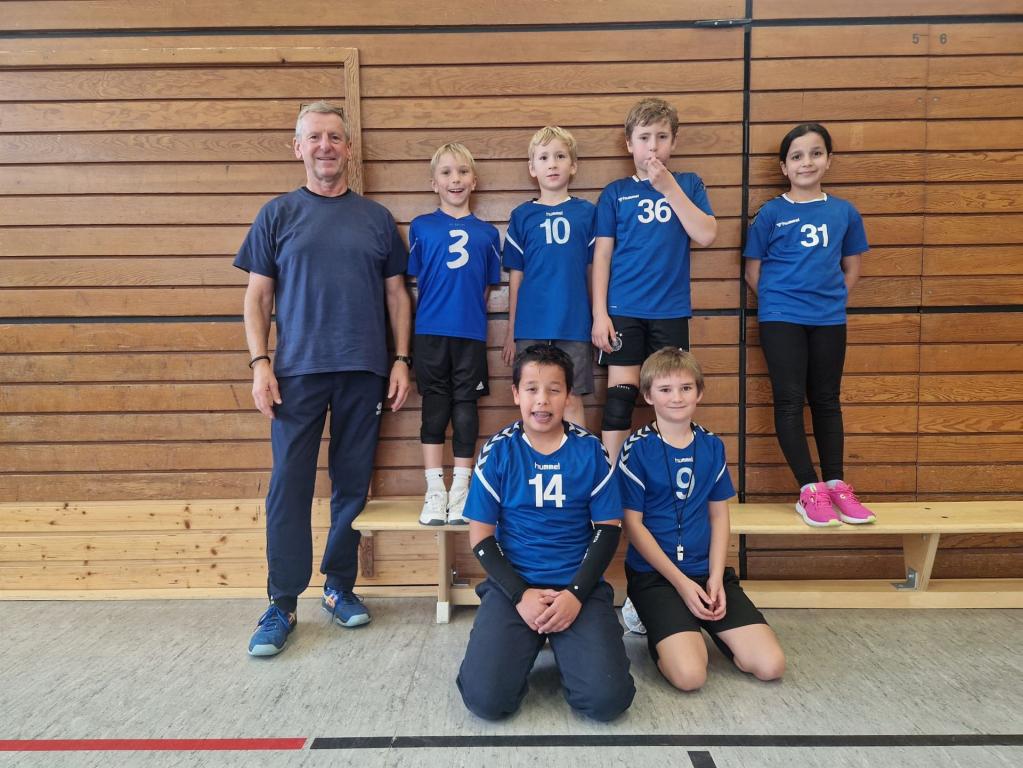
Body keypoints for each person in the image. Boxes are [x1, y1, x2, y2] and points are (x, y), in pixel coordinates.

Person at [235, 101, 412, 656]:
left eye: (334, 137)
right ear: (298, 147)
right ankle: (282, 602)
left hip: (364, 370)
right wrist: (260, 363)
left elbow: (396, 296)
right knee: (288, 485)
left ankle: (339, 587)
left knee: (352, 485)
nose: (325, 146)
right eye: (314, 137)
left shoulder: (377, 219)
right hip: (296, 373)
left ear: (348, 148)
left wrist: (401, 359)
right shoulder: (277, 214)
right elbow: (257, 297)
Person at [456, 345, 635, 721]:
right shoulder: (498, 452)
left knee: (607, 701)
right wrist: (520, 595)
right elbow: (481, 538)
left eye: (554, 390)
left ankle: (567, 644)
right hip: (515, 588)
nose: (542, 400)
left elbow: (607, 531)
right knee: (486, 701)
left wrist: (575, 594)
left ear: (568, 395)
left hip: (577, 587)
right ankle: (528, 640)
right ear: (516, 394)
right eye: (532, 389)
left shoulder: (590, 451)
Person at [619, 348, 785, 691]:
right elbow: (633, 525)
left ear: (699, 392)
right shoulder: (637, 449)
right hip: (657, 577)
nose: (677, 397)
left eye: (686, 388)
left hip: (704, 569)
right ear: (648, 395)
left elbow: (719, 513)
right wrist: (682, 585)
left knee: (771, 666)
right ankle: (651, 614)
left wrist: (715, 578)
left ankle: (699, 620)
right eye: (665, 389)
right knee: (691, 676)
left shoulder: (711, 445)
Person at [743, 123, 876, 527]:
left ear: (828, 160)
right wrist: (780, 304)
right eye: (797, 156)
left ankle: (837, 485)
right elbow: (753, 272)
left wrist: (828, 300)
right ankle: (809, 490)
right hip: (781, 319)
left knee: (826, 400)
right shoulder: (771, 214)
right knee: (788, 400)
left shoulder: (844, 212)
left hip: (829, 320)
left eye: (816, 153)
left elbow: (852, 268)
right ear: (784, 166)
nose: (807, 162)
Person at [591, 97, 718, 463]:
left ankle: (669, 473)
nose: (653, 146)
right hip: (623, 309)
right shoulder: (616, 193)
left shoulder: (688, 184)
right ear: (629, 143)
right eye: (644, 137)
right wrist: (600, 314)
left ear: (673, 142)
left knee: (671, 397)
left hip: (670, 310)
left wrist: (668, 188)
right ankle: (612, 479)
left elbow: (706, 234)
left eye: (662, 137)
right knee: (620, 397)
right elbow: (602, 256)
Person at [409, 142, 502, 526]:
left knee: (466, 410)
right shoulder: (421, 227)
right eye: (446, 172)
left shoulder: (488, 234)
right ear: (434, 182)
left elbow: (485, 288)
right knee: (434, 410)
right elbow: (418, 280)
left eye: (462, 171)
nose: (455, 179)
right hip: (430, 332)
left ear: (473, 180)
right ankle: (435, 492)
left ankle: (461, 491)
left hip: (470, 334)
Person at [502, 126, 596, 428]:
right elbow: (516, 276)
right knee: (533, 398)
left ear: (573, 165)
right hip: (531, 324)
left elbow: (594, 271)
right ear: (532, 168)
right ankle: (536, 455)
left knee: (571, 397)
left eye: (560, 156)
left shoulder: (587, 213)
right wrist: (511, 330)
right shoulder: (522, 216)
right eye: (543, 157)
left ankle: (579, 458)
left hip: (574, 323)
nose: (552, 164)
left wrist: (598, 317)